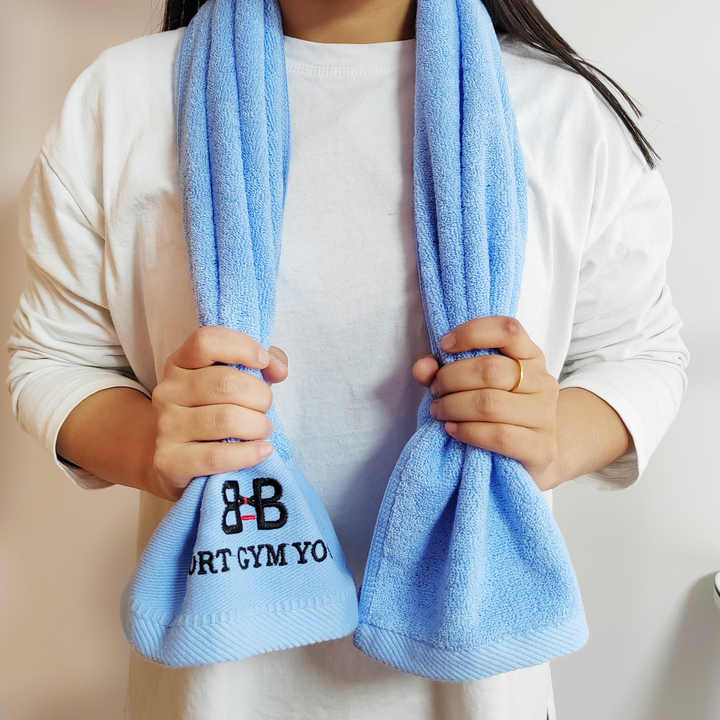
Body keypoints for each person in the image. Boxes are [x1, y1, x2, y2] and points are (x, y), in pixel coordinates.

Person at [6, 0, 690, 718]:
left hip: (481, 688)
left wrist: (554, 434)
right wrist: (149, 443)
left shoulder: (565, 114)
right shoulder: (123, 99)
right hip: (214, 688)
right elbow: (54, 357)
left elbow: (642, 352)